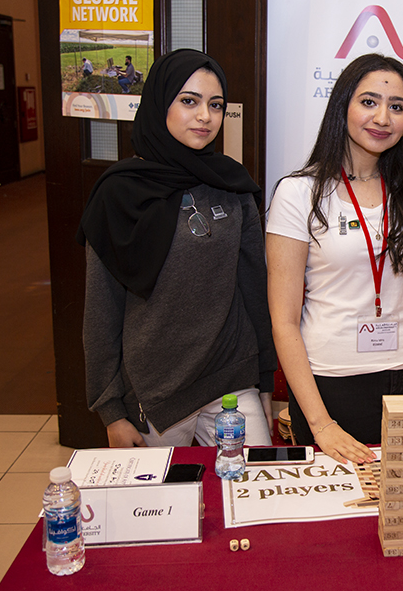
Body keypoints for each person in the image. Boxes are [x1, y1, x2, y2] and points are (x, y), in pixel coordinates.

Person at [266, 53, 403, 464]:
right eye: (368, 102)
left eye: (397, 106)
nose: (382, 118)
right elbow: (284, 321)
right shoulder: (298, 193)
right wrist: (321, 424)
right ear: (343, 106)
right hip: (331, 384)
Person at [77, 49, 276, 448]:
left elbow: (254, 288)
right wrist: (111, 411)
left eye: (215, 105)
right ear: (160, 103)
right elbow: (102, 308)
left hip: (231, 377)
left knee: (251, 481)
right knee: (163, 491)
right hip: (155, 392)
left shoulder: (232, 183)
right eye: (189, 101)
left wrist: (265, 380)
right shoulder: (119, 193)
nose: (205, 116)